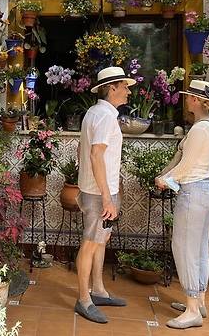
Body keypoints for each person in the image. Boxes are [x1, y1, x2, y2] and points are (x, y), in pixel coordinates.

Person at [155, 79, 209, 330]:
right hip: (204, 189)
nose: (186, 100)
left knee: (183, 247)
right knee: (198, 247)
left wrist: (165, 180)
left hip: (194, 191)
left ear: (196, 100)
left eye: (188, 97)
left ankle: (193, 309)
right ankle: (199, 301)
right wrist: (167, 176)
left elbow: (186, 166)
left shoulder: (200, 129)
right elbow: (187, 161)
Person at [74, 67, 136, 324]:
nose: (129, 91)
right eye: (125, 86)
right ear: (112, 88)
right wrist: (106, 197)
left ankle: (98, 291)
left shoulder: (95, 112)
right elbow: (95, 154)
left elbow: (82, 149)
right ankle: (83, 300)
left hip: (101, 190)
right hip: (100, 195)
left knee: (100, 241)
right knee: (90, 244)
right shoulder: (106, 117)